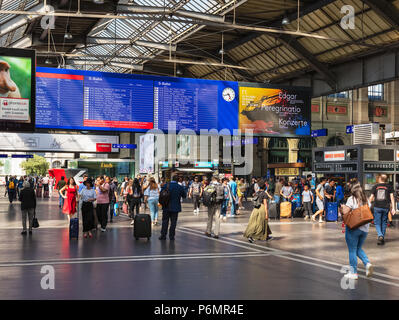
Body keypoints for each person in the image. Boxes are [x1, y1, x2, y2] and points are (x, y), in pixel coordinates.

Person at [343, 182, 373, 280]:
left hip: (354, 228)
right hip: (365, 229)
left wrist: (343, 207)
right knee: (358, 248)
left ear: (353, 191)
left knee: (352, 250)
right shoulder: (366, 200)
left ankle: (353, 273)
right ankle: (367, 263)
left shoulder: (351, 199)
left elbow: (345, 212)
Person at [369, 174, 395, 245]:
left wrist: (368, 205)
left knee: (377, 222)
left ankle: (380, 235)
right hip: (386, 207)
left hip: (377, 206)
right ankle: (382, 238)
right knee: (384, 222)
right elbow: (392, 198)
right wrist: (393, 208)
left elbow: (371, 197)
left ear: (380, 178)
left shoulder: (375, 186)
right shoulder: (389, 186)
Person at [159, 175, 186, 241]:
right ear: (178, 180)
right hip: (175, 207)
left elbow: (161, 194)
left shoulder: (166, 185)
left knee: (165, 221)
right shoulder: (179, 187)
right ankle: (171, 236)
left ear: (171, 179)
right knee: (173, 222)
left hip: (166, 206)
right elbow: (184, 195)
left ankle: (163, 235)